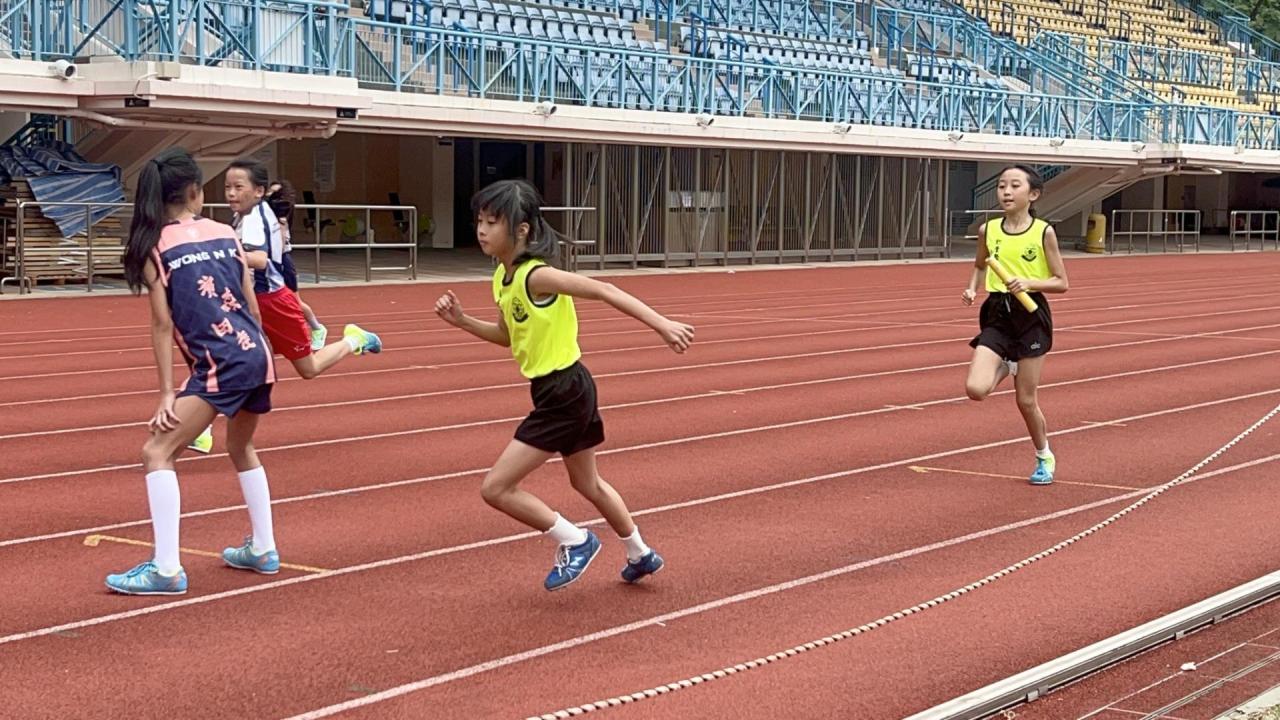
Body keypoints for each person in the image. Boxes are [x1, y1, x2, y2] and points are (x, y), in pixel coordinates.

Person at [435, 179, 695, 591]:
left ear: (521, 230)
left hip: (564, 392)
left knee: (496, 488)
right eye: (479, 221)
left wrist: (662, 324)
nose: (482, 230)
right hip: (566, 388)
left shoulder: (537, 276)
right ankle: (640, 553)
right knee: (587, 483)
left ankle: (575, 540)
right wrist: (463, 321)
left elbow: (604, 289)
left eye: (492, 222)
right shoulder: (503, 278)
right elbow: (507, 336)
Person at [108, 147, 282, 595]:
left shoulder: (154, 247)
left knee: (156, 452)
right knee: (241, 445)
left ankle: (166, 569)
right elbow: (251, 305)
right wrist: (257, 350)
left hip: (220, 363)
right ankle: (263, 548)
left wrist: (168, 392)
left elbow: (162, 324)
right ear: (194, 191)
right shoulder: (225, 232)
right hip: (255, 354)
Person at [188, 161, 382, 454]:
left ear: (258, 191)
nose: (230, 193)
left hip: (273, 302)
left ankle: (354, 339)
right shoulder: (247, 214)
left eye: (238, 187)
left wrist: (216, 251)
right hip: (248, 301)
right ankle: (201, 430)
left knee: (308, 368)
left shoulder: (255, 217)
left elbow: (260, 259)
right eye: (227, 187)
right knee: (226, 358)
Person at [961, 165, 1069, 486]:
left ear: (1033, 194)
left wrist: (1028, 282)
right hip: (997, 312)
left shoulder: (1043, 232)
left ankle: (1044, 456)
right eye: (1001, 186)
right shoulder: (988, 229)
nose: (1006, 192)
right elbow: (980, 264)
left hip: (1031, 315)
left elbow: (1061, 282)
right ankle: (1009, 365)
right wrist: (972, 287)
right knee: (976, 390)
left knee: (1025, 400)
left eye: (1014, 186)